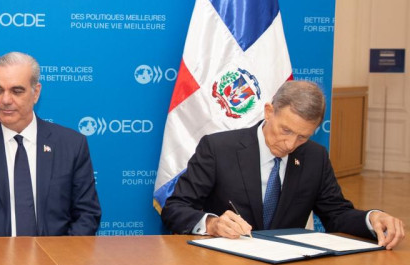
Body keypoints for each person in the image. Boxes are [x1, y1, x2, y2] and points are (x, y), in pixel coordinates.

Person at [161, 80, 405, 249]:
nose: (290, 144)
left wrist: (372, 218)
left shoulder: (315, 157)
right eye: (285, 130)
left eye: (302, 137)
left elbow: (337, 214)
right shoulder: (218, 148)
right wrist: (213, 224)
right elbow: (176, 208)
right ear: (269, 111)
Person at [0, 51, 101, 237]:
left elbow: (87, 215)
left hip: (56, 261)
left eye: (16, 91)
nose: (5, 100)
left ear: (36, 92)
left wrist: (60, 259)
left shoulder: (72, 145)